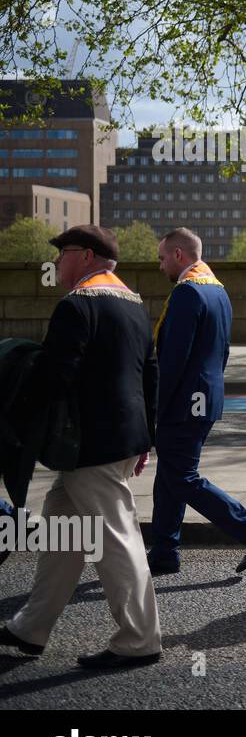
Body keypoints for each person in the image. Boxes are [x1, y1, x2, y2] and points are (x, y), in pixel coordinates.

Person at [0, 225, 162, 669]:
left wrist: (18, 408)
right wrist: (146, 437)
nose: (57, 261)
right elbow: (150, 374)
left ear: (87, 256)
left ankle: (139, 640)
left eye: (64, 253)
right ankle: (29, 629)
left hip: (90, 444)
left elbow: (56, 376)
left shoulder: (77, 305)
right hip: (120, 438)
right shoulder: (134, 303)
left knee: (115, 539)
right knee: (63, 535)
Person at [148, 228, 246, 576]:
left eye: (162, 258)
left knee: (182, 476)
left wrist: (156, 406)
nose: (160, 267)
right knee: (171, 475)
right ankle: (164, 551)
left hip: (184, 400)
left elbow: (173, 358)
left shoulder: (187, 293)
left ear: (178, 254)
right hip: (206, 397)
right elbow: (223, 351)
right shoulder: (218, 291)